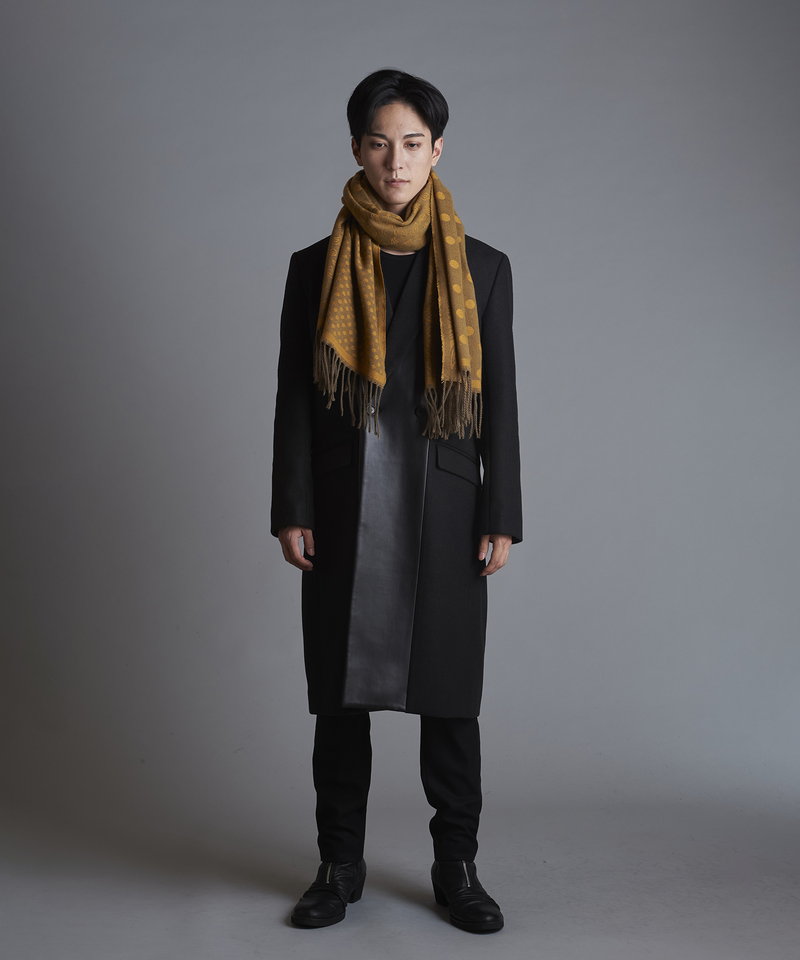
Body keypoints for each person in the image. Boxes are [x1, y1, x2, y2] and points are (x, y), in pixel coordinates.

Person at [270, 68, 522, 933]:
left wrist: (500, 512)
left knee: (450, 702)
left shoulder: (483, 268)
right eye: (379, 143)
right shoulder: (314, 268)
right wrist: (292, 505)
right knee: (340, 705)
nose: (396, 161)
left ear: (437, 150)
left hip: (445, 512)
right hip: (345, 510)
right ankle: (338, 865)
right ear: (356, 149)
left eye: (413, 143)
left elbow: (501, 401)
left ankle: (458, 868)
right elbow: (294, 398)